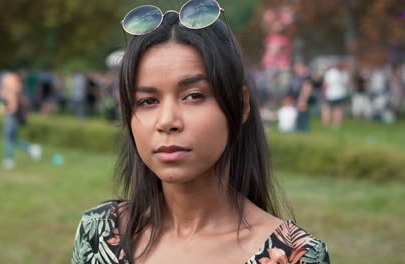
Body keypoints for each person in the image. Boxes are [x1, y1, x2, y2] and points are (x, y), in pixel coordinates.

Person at [72, 1, 329, 263]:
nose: (167, 121)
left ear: (240, 105)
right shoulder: (98, 234)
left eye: (193, 96)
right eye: (148, 101)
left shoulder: (294, 255)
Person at [0, 72, 42, 170]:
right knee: (14, 139)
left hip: (11, 117)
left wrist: (3, 110)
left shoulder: (12, 91)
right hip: (13, 117)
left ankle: (9, 159)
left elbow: (12, 107)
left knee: (7, 138)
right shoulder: (14, 90)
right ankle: (32, 148)